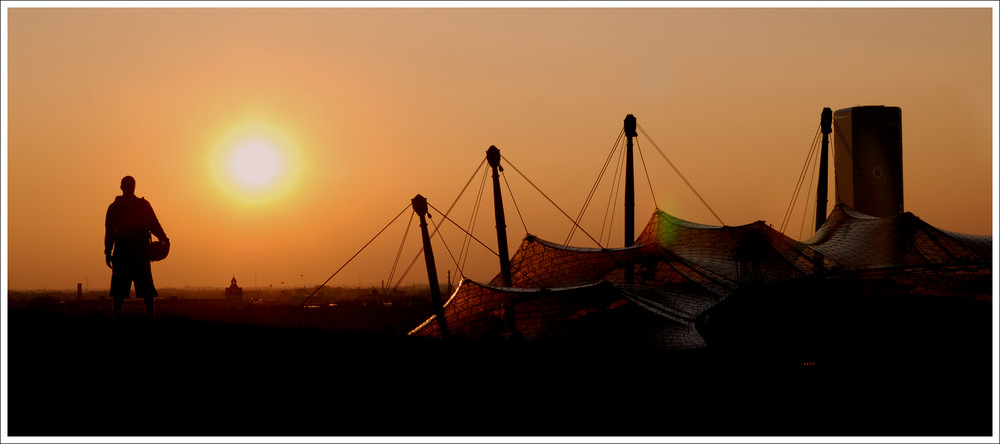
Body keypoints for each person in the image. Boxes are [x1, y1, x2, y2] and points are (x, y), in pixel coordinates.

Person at [104, 176, 169, 318]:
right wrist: (108, 251)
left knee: (141, 291)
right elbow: (110, 231)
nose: (129, 188)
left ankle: (135, 318)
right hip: (131, 253)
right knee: (125, 292)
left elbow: (154, 224)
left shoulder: (124, 207)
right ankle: (140, 318)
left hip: (134, 253)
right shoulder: (117, 207)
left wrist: (108, 251)